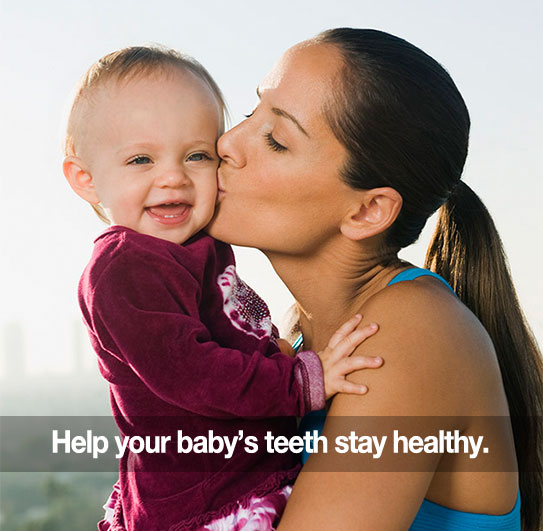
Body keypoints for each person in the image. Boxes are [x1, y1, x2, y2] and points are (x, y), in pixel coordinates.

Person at [208, 28, 543, 530]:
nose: (227, 143)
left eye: (276, 140)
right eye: (252, 113)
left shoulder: (407, 332)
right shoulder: (300, 335)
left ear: (368, 211)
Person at [62, 45, 383, 530]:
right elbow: (192, 373)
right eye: (141, 160)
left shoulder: (194, 246)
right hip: (207, 505)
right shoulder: (125, 268)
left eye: (196, 155)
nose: (173, 177)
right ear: (85, 179)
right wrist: (300, 381)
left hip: (242, 478)